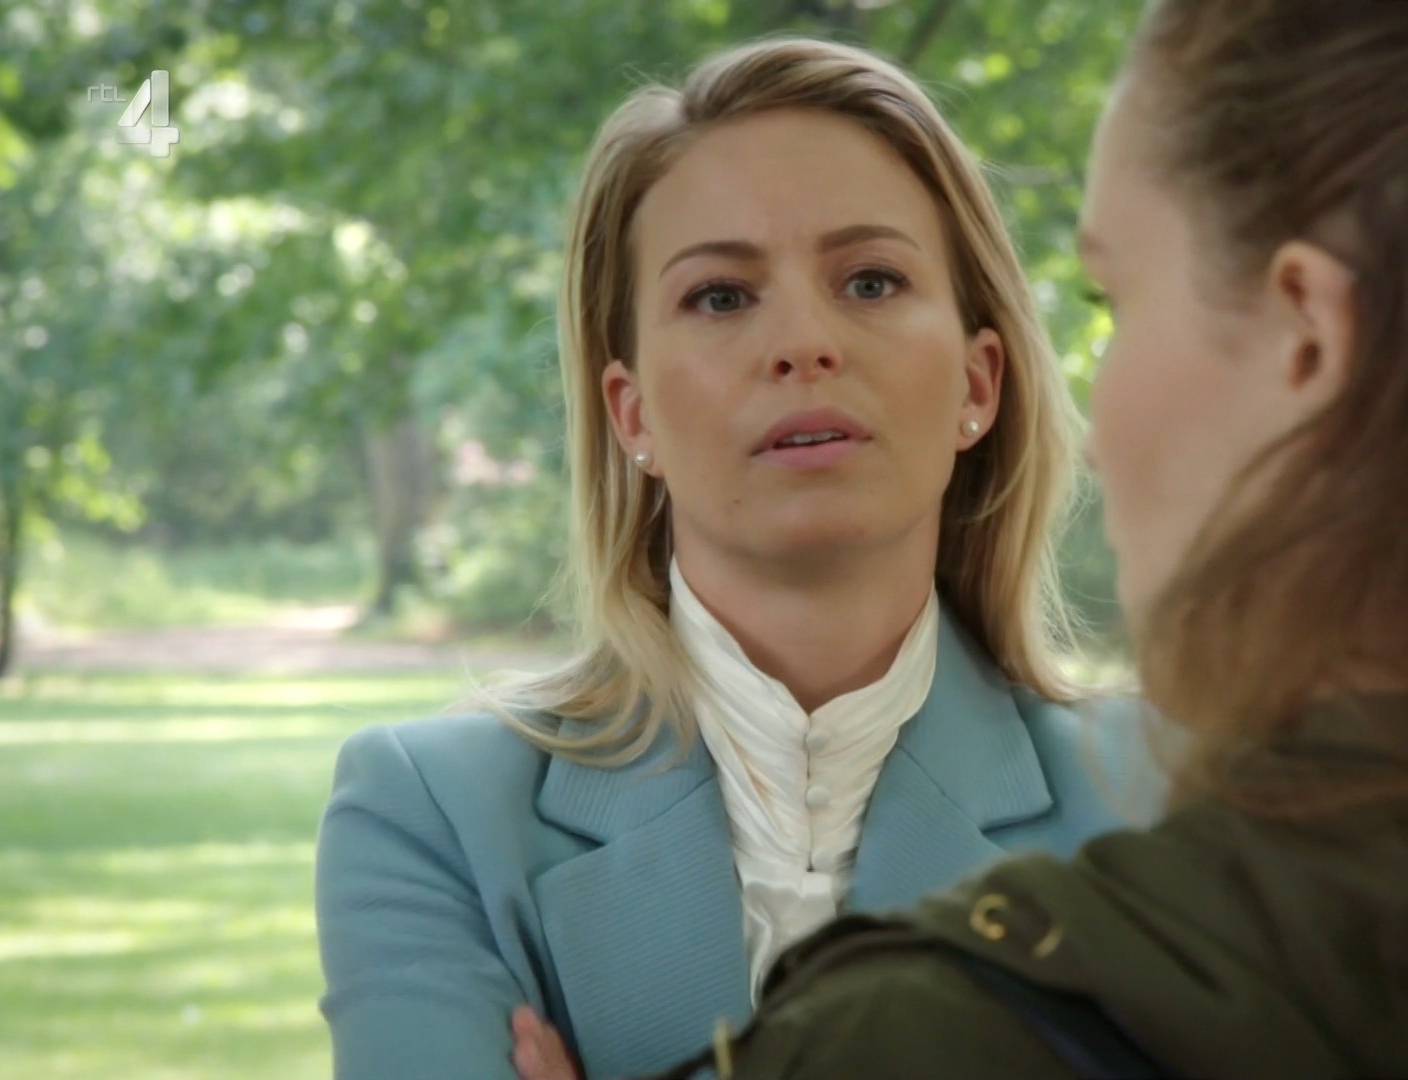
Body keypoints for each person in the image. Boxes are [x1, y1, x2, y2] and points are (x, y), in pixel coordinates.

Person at [588, 1, 1408, 1077]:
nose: (1096, 425)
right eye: (720, 294)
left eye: (1118, 297)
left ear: (1309, 335)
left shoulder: (937, 1033)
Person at [313, 37, 1158, 1080]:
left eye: (871, 281)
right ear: (632, 414)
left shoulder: (1163, 802)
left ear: (978, 386)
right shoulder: (432, 813)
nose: (803, 342)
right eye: (720, 296)